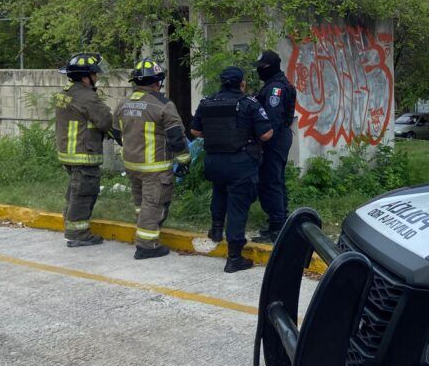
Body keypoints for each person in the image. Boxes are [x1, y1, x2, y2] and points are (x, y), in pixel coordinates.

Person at [190, 66, 273, 273]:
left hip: (214, 161)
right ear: (242, 83)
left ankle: (216, 230)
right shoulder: (249, 104)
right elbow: (266, 135)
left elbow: (195, 130)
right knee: (238, 207)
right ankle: (234, 257)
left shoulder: (207, 102)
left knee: (219, 192)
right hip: (240, 163)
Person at [113, 60, 191, 260]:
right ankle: (147, 246)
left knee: (141, 204)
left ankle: (144, 234)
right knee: (154, 204)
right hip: (155, 168)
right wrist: (183, 161)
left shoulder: (123, 104)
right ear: (157, 82)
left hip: (132, 165)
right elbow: (176, 138)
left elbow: (115, 133)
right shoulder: (163, 105)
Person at [54, 53, 118, 248]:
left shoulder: (66, 92)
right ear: (85, 77)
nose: (96, 77)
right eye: (94, 74)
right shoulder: (87, 97)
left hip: (69, 153)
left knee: (75, 190)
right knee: (84, 193)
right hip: (84, 152)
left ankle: (70, 224)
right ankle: (77, 233)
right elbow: (106, 121)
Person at [253, 50, 298, 243]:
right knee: (275, 179)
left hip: (274, 138)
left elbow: (272, 119)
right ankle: (279, 221)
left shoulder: (276, 89)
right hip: (278, 137)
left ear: (271, 67)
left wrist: (263, 140)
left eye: (261, 68)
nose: (258, 72)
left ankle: (277, 226)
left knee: (270, 180)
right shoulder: (273, 84)